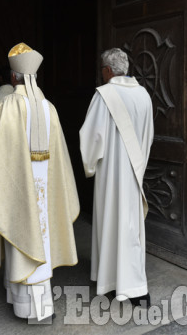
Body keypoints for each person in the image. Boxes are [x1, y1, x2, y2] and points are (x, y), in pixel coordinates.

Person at [0, 43, 80, 322]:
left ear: (13, 77)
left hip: (20, 188)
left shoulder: (9, 105)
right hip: (45, 189)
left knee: (20, 231)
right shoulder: (49, 108)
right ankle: (34, 302)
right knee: (41, 239)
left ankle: (25, 304)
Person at [79, 47, 154, 306]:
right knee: (131, 228)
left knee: (112, 223)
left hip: (111, 175)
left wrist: (89, 164)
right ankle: (134, 286)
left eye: (102, 69)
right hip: (133, 172)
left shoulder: (104, 95)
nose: (101, 74)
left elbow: (91, 137)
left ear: (108, 70)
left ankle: (112, 282)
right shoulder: (144, 94)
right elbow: (148, 134)